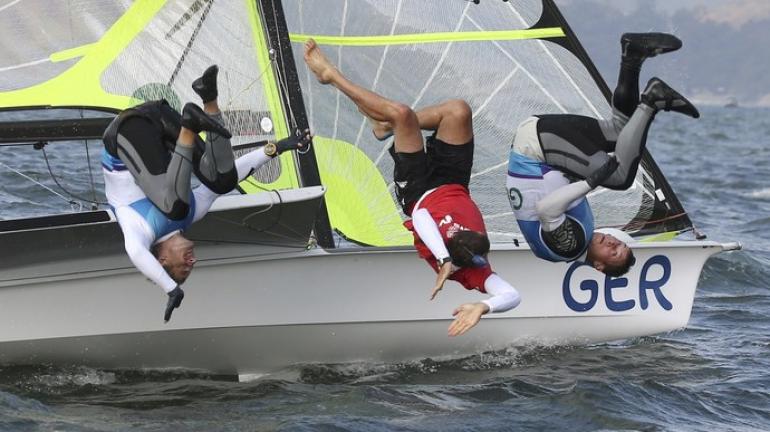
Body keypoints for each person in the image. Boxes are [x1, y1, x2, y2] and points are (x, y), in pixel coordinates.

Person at [303, 39, 521, 337]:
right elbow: (512, 295)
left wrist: (445, 262)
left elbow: (421, 218)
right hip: (454, 182)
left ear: (456, 240)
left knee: (402, 114)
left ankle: (332, 77)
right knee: (458, 111)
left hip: (418, 192)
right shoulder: (477, 252)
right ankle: (386, 127)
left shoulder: (468, 268)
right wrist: (486, 306)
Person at [102, 65, 311, 322]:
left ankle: (191, 127)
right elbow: (235, 173)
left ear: (163, 259)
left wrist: (171, 289)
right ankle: (208, 98)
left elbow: (136, 255)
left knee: (173, 205)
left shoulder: (140, 230)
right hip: (161, 118)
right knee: (222, 181)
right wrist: (278, 148)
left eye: (182, 269)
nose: (192, 264)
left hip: (126, 132)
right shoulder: (193, 214)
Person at [506, 32, 699, 276]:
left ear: (599, 266)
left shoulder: (570, 247)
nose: (613, 242)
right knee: (620, 131)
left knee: (619, 178)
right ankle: (633, 56)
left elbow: (546, 208)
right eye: (621, 244)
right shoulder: (576, 239)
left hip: (538, 146)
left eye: (614, 252)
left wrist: (592, 181)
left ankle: (653, 99)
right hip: (539, 140)